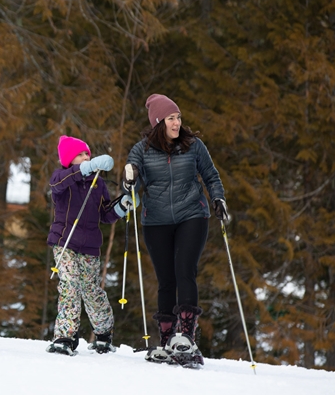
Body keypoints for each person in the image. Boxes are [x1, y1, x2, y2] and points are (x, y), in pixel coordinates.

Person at [124, 93, 228, 367]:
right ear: (159, 121)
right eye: (171, 118)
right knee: (166, 280)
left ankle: (186, 338)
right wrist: (129, 180)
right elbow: (131, 176)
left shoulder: (194, 146)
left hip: (192, 215)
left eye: (179, 117)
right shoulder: (142, 150)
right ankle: (167, 340)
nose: (177, 122)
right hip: (156, 220)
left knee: (185, 270)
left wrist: (218, 198)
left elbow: (210, 175)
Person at [46, 136, 131, 356]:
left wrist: (121, 206)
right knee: (70, 285)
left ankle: (103, 334)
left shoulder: (98, 183)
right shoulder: (61, 177)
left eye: (89, 155)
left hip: (90, 246)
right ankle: (65, 336)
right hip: (64, 242)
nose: (87, 158)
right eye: (82, 155)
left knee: (91, 290)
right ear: (69, 159)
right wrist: (88, 167)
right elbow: (57, 184)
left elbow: (104, 213)